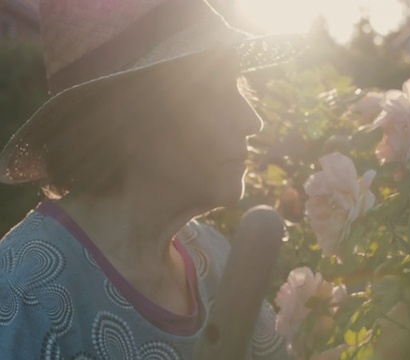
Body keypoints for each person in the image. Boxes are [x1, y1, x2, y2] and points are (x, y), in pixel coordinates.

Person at [0, 0, 301, 358]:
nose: (252, 121)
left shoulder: (213, 259)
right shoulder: (23, 299)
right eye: (215, 91)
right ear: (126, 121)